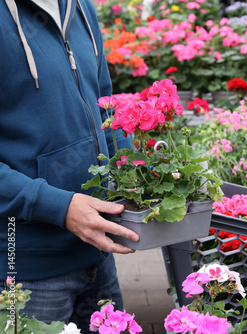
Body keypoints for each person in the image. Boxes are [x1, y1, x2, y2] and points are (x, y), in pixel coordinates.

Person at [0, 0, 139, 331]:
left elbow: (104, 104)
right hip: (28, 270)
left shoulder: (79, 7)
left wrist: (136, 168)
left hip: (98, 257)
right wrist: (60, 207)